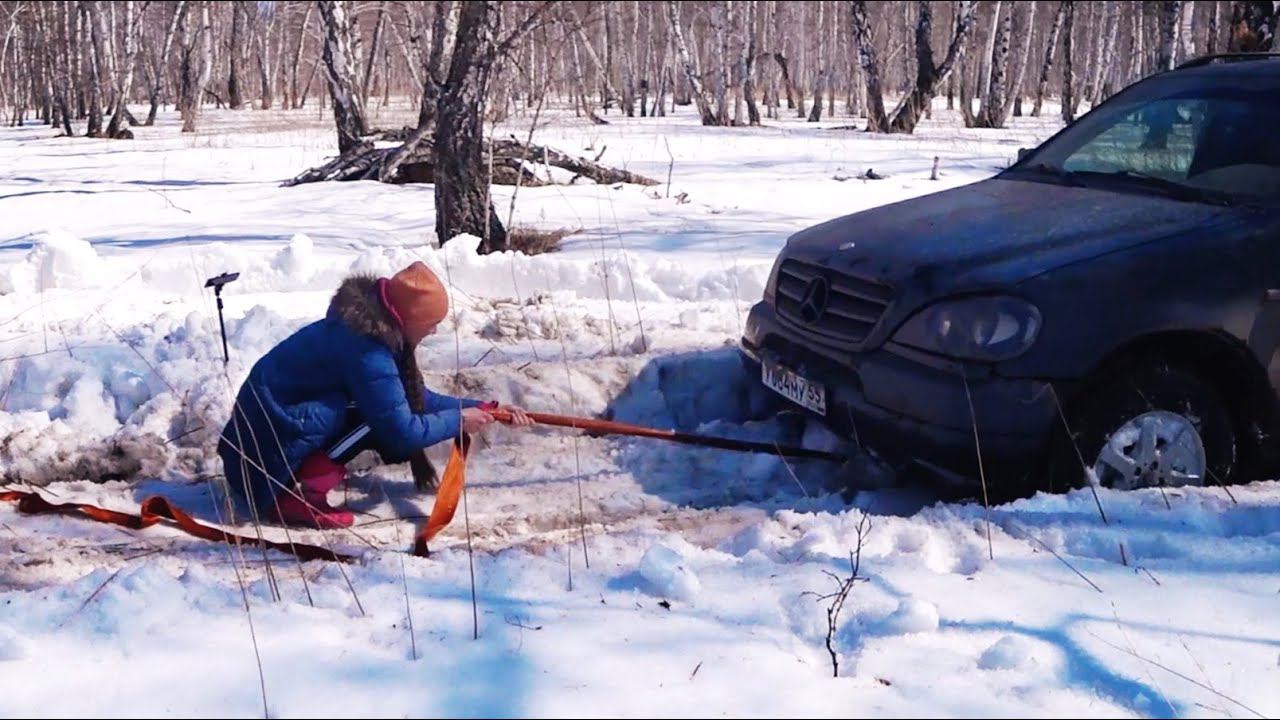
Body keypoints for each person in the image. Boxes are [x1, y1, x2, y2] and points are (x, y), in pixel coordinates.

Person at [217, 261, 533, 529]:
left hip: (260, 443)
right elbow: (401, 430)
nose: (433, 332)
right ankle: (295, 495)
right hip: (263, 454)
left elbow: (415, 398)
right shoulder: (367, 350)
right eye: (431, 324)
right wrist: (459, 420)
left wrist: (484, 408)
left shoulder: (371, 330)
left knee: (377, 409)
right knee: (376, 420)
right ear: (409, 320)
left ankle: (300, 479)